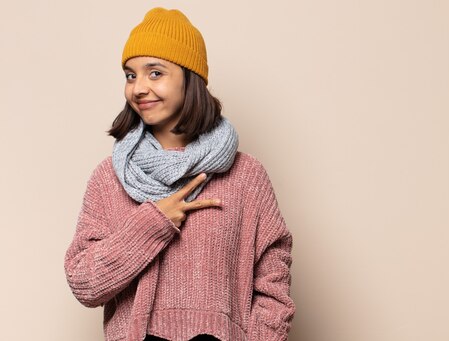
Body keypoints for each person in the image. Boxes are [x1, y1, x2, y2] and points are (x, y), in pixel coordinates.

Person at [64, 7, 295, 341]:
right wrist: (153, 223)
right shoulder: (110, 177)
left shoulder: (246, 176)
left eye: (155, 73)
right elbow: (84, 283)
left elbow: (273, 281)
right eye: (131, 75)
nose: (139, 88)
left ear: (191, 78)